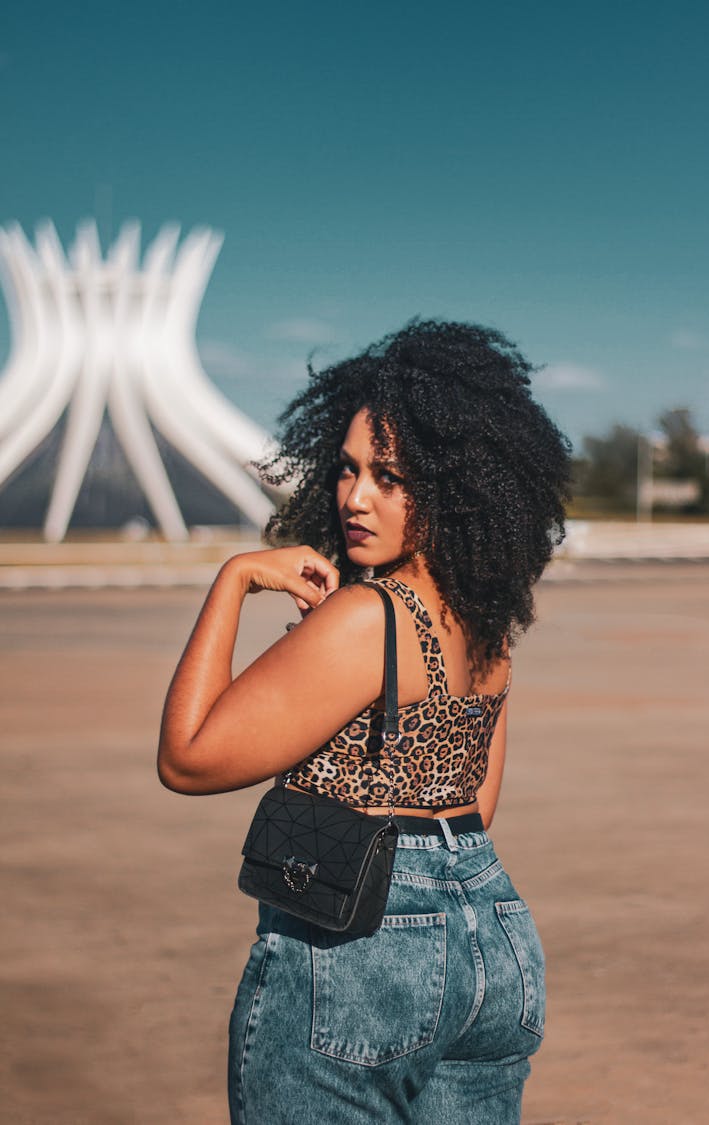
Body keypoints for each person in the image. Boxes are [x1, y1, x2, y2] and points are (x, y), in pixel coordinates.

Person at [158, 319, 571, 1124]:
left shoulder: (367, 616)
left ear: (453, 485)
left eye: (389, 476)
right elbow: (473, 808)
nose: (353, 497)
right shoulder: (487, 632)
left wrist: (235, 581)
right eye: (347, 470)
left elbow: (187, 757)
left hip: (366, 955)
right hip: (496, 941)